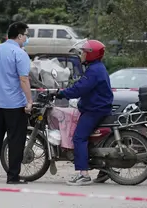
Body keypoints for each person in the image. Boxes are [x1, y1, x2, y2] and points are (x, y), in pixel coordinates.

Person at [54, 39, 114, 186]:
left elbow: (79, 88)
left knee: (79, 138)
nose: (82, 55)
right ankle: (103, 171)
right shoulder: (97, 68)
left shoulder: (94, 70)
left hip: (94, 110)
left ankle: (83, 174)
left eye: (84, 52)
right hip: (98, 107)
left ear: (91, 55)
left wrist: (62, 93)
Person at [0, 22, 33, 184]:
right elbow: (23, 79)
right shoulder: (20, 53)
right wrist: (29, 101)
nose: (26, 38)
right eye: (26, 35)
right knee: (15, 141)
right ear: (19, 36)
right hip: (15, 105)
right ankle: (13, 176)